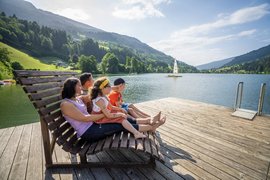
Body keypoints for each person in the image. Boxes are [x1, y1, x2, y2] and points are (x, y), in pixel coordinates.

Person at [60, 77, 165, 143]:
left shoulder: (78, 98)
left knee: (124, 118)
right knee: (120, 124)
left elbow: (97, 91)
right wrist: (106, 114)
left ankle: (150, 123)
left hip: (94, 125)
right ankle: (150, 127)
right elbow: (85, 118)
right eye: (78, 85)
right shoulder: (66, 104)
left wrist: (115, 87)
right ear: (72, 87)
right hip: (88, 132)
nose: (81, 87)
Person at [90, 77, 166, 139]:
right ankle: (137, 133)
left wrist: (120, 109)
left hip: (107, 114)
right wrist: (120, 114)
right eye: (109, 86)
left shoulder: (103, 96)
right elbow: (108, 115)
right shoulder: (99, 100)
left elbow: (111, 107)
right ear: (103, 88)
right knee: (121, 119)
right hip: (101, 119)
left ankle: (150, 121)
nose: (111, 88)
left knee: (124, 116)